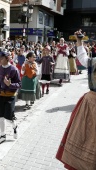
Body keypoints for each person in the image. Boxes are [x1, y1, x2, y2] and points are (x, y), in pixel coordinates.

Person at [56, 30, 96, 170]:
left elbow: (82, 57)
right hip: (91, 103)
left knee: (85, 136)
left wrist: (80, 41)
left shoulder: (94, 62)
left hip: (91, 103)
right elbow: (83, 57)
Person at [0, 51, 21, 144]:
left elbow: (19, 84)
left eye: (1, 58)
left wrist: (10, 84)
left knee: (9, 117)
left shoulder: (14, 69)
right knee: (0, 116)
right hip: (0, 95)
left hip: (10, 96)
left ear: (7, 58)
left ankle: (15, 126)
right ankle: (3, 135)